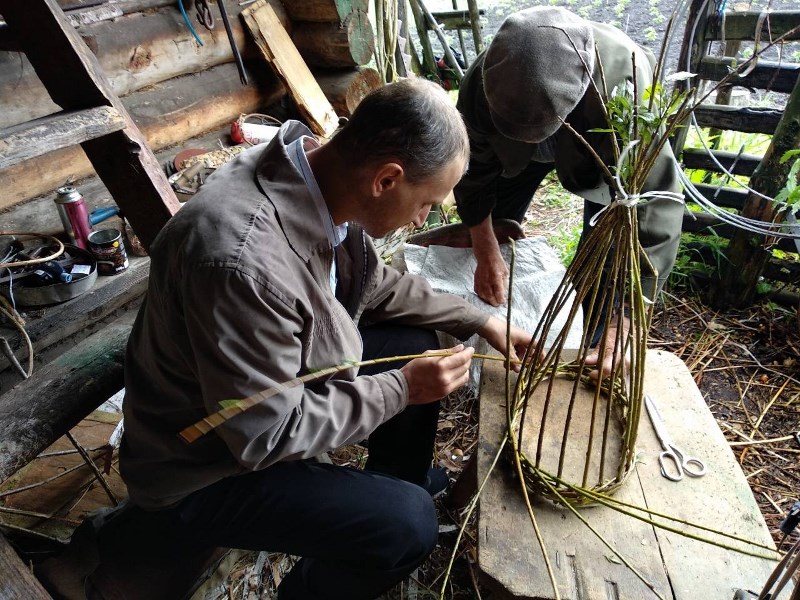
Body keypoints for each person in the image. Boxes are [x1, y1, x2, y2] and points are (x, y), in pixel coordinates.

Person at [37, 78, 532, 600]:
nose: (421, 218)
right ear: (386, 179)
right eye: (426, 203)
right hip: (201, 467)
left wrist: (480, 321)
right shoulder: (241, 263)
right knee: (407, 526)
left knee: (411, 338)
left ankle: (393, 480)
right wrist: (402, 389)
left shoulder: (317, 178)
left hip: (253, 400)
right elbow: (264, 435)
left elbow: (373, 283)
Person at [454, 6, 684, 369]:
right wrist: (484, 245)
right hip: (512, 152)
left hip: (602, 151)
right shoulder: (489, 78)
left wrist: (626, 319)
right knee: (494, 227)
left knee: (603, 253)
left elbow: (655, 207)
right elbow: (475, 169)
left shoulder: (624, 96)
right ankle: (504, 322)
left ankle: (595, 341)